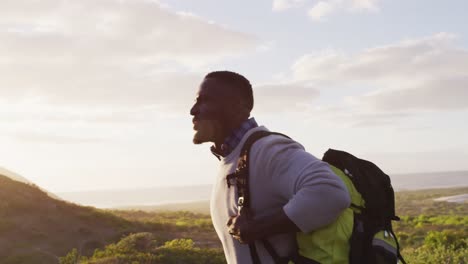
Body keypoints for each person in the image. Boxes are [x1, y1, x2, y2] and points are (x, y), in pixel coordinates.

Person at [190, 71, 350, 264]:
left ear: (238, 106)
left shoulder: (268, 150)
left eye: (204, 101)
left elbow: (330, 192)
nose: (193, 110)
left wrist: (258, 228)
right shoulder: (233, 157)